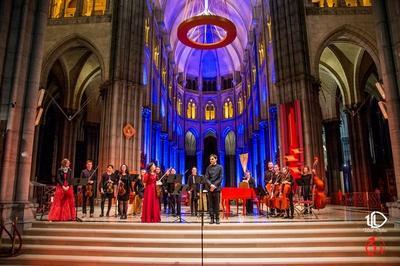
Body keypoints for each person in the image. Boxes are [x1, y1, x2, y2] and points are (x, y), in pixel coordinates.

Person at [204, 154, 223, 225]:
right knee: (210, 204)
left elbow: (221, 177)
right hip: (210, 188)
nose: (211, 160)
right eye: (210, 159)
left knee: (216, 204)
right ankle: (212, 218)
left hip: (216, 188)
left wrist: (214, 185)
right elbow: (206, 177)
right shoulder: (208, 167)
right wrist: (210, 185)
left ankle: (217, 218)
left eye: (212, 159)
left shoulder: (220, 167)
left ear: (216, 159)